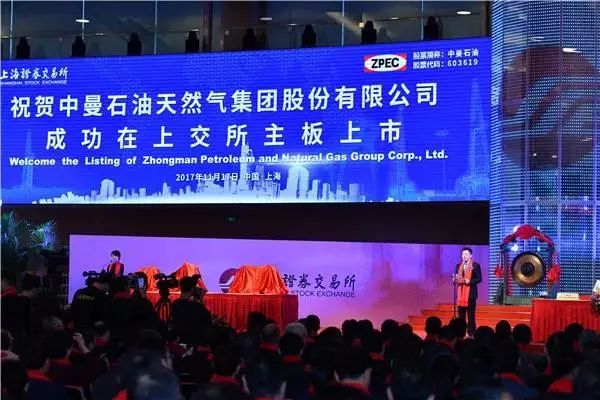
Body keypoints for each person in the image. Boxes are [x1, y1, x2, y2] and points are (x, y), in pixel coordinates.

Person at [453, 247, 482, 337]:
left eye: (466, 254)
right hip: (461, 294)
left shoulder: (475, 266)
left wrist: (470, 281)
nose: (464, 256)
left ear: (471, 255)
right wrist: (454, 280)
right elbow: (456, 277)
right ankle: (460, 333)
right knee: (461, 316)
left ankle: (471, 333)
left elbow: (479, 279)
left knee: (471, 316)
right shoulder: (458, 266)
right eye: (463, 254)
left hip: (471, 294)